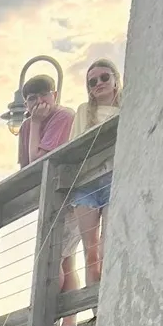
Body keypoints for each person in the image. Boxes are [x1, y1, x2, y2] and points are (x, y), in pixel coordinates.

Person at [68, 59, 121, 286]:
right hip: (87, 185)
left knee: (109, 247)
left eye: (104, 77)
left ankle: (107, 303)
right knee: (91, 253)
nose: (99, 83)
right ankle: (94, 310)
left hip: (113, 180)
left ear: (115, 80)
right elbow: (73, 148)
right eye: (92, 81)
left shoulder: (129, 107)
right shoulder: (83, 111)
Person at [16, 73, 74, 169]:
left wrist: (35, 123)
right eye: (32, 98)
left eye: (44, 95)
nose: (39, 101)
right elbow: (24, 167)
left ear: (54, 96)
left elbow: (37, 163)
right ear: (26, 105)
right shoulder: (25, 126)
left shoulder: (64, 116)